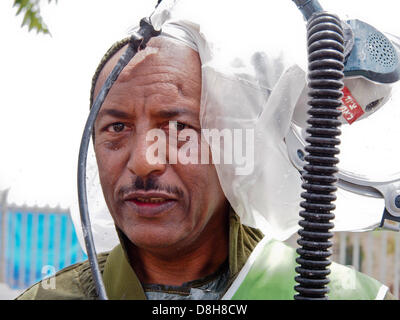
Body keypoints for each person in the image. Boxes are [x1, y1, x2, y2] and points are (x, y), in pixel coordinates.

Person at [16, 22, 396, 300]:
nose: (145, 161)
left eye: (180, 128)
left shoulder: (348, 297)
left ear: (231, 144)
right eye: (117, 127)